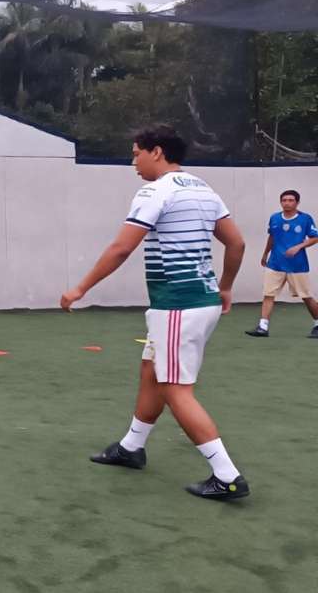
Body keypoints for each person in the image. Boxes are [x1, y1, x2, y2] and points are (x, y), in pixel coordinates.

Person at [61, 125, 249, 501]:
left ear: (157, 152)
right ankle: (132, 447)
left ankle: (227, 476)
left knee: (175, 388)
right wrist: (225, 286)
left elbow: (121, 248)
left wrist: (80, 288)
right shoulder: (203, 189)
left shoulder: (155, 191)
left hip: (179, 305)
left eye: (136, 154)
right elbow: (237, 243)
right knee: (152, 370)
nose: (133, 162)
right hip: (198, 302)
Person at [245, 189, 318, 338]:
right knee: (268, 294)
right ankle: (263, 327)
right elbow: (272, 237)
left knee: (306, 296)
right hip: (275, 263)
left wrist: (298, 247)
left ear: (297, 202)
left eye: (291, 200)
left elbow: (315, 237)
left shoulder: (305, 219)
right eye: (284, 200)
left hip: (297, 266)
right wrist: (265, 253)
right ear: (280, 202)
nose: (287, 203)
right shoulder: (275, 218)